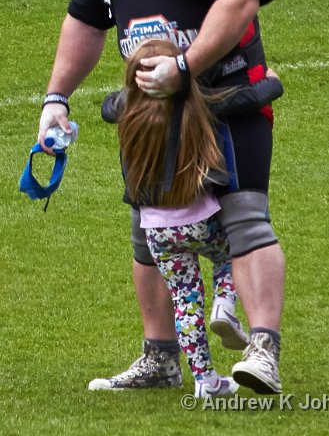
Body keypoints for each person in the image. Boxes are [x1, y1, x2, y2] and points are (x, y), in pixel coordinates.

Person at [38, 0, 285, 395]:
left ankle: (262, 351)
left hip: (226, 99)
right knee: (148, 234)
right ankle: (161, 358)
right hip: (150, 113)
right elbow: (85, 21)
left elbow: (239, 1)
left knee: (245, 220)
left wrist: (184, 67)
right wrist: (55, 98)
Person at [114, 38, 247, 397]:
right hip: (200, 218)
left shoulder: (127, 111)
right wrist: (272, 83)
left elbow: (109, 106)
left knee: (186, 302)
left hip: (157, 232)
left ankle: (205, 381)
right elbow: (244, 99)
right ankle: (224, 304)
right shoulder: (195, 103)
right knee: (235, 253)